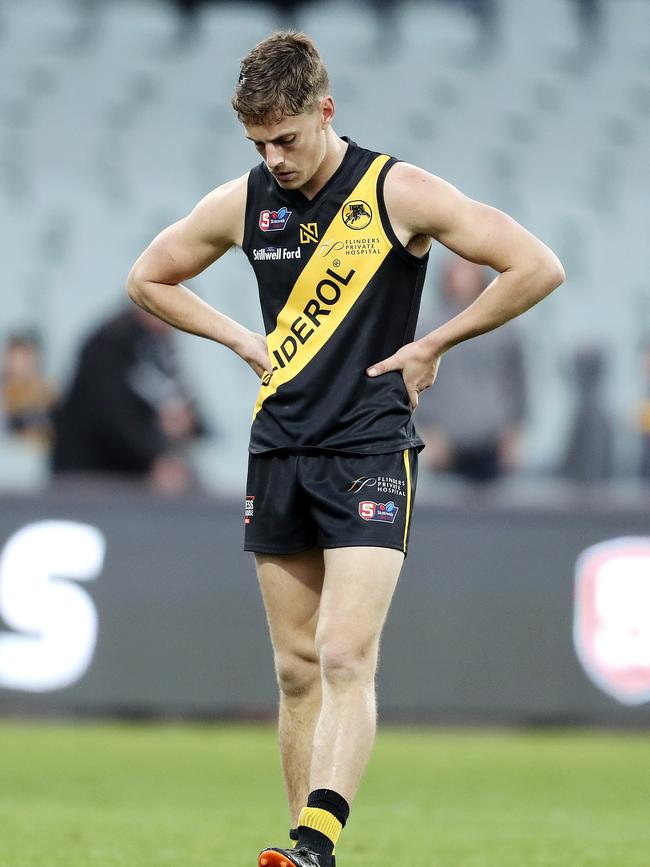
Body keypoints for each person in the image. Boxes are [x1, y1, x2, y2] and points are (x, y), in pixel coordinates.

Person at [126, 31, 564, 867]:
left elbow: (535, 265)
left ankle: (317, 841)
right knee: (294, 671)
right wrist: (237, 339)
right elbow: (148, 276)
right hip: (280, 446)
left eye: (286, 138)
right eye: (258, 144)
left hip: (369, 443)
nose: (274, 159)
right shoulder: (245, 201)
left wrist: (437, 341)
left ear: (326, 110)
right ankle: (303, 853)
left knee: (343, 652)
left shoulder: (398, 191)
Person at [52, 306, 203, 494]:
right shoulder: (110, 342)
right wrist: (156, 456)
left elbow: (182, 404)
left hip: (128, 473)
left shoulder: (159, 345)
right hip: (90, 473)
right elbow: (113, 415)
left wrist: (185, 423)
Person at [416, 255, 527, 483]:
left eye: (471, 270)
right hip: (444, 444)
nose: (465, 277)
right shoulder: (430, 327)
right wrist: (427, 433)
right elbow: (417, 384)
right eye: (459, 269)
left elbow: (518, 383)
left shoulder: (503, 326)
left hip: (493, 441)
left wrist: (514, 435)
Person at [1, 330, 56, 447]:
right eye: (16, 356)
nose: (21, 362)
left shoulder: (48, 390)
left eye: (26, 355)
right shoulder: (4, 392)